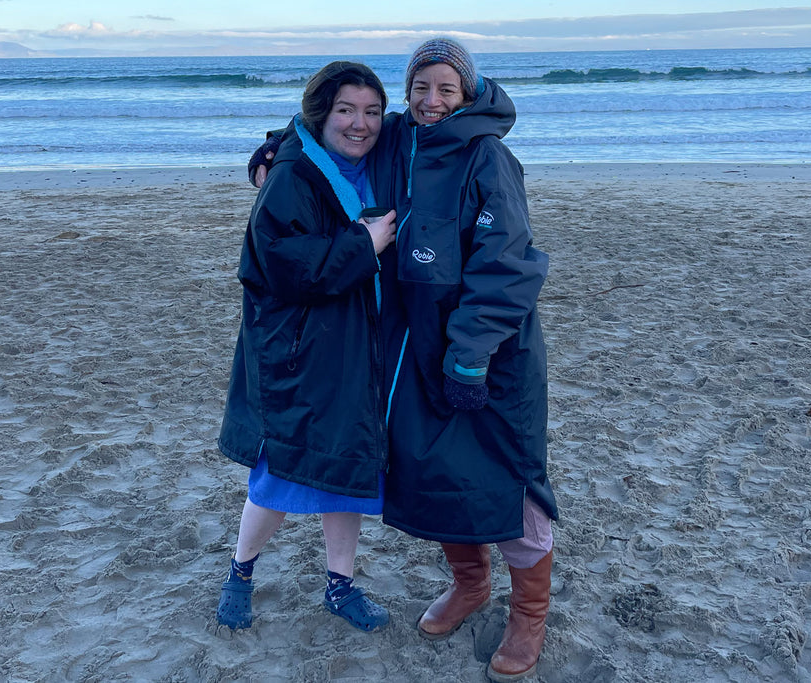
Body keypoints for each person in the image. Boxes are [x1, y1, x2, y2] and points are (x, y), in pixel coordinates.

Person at [249, 39, 557, 681]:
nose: (432, 100)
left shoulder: (487, 157)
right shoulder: (394, 138)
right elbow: (334, 124)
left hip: (488, 353)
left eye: (446, 88)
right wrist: (276, 146)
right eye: (421, 87)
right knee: (437, 467)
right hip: (412, 348)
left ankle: (529, 612)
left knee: (509, 472)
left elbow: (508, 267)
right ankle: (470, 585)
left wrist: (470, 356)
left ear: (466, 92)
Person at [216, 61, 397, 633]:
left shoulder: (379, 153)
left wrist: (269, 141)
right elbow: (286, 270)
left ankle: (340, 587)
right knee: (281, 470)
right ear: (322, 114)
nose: (359, 124)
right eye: (345, 110)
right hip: (298, 345)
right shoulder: (292, 178)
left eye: (371, 111)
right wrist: (361, 244)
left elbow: (431, 127)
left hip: (358, 341)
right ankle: (240, 574)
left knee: (349, 466)